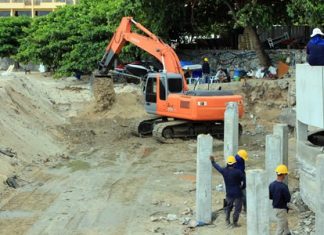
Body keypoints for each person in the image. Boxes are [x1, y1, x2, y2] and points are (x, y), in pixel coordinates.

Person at [210, 155, 246, 227]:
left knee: (228, 207)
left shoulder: (224, 171)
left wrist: (213, 161)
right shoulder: (238, 172)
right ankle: (235, 223)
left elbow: (217, 167)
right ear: (234, 163)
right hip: (238, 193)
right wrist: (243, 187)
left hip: (229, 194)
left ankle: (227, 221)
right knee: (237, 209)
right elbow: (244, 181)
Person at [269, 164, 291, 235]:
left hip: (275, 207)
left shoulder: (271, 185)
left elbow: (270, 196)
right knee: (280, 228)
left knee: (284, 222)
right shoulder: (284, 187)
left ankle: (287, 233)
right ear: (283, 175)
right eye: (285, 174)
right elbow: (288, 199)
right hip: (281, 209)